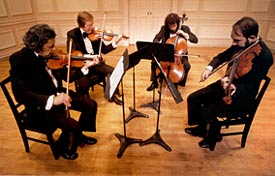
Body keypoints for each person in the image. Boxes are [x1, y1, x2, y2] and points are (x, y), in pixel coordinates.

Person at [9, 24, 101, 160]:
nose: (54, 49)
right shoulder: (19, 59)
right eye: (50, 46)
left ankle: (78, 134)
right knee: (73, 124)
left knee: (91, 105)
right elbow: (20, 94)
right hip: (40, 106)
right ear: (36, 45)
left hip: (58, 92)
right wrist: (52, 100)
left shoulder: (52, 55)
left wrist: (85, 67)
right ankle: (63, 147)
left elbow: (66, 76)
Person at [184, 17, 273, 149]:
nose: (233, 44)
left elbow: (251, 85)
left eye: (237, 40)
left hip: (241, 96)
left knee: (207, 110)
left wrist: (234, 87)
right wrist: (210, 67)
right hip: (225, 83)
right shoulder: (239, 45)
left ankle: (213, 137)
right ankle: (202, 128)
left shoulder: (264, 57)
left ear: (252, 38)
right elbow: (222, 56)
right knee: (193, 98)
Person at [67, 11, 124, 105]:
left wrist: (115, 42)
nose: (92, 27)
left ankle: (111, 95)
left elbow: (104, 50)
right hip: (83, 66)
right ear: (81, 25)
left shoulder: (94, 34)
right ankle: (84, 100)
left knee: (114, 72)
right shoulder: (72, 34)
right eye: (89, 25)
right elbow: (73, 55)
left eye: (92, 24)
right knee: (83, 84)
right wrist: (91, 57)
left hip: (96, 64)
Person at [146, 13, 198, 91]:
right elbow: (156, 39)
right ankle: (155, 82)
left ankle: (177, 82)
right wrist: (158, 46)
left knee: (187, 66)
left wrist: (185, 35)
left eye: (174, 26)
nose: (173, 28)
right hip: (166, 52)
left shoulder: (184, 28)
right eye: (170, 26)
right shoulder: (164, 28)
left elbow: (195, 40)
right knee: (154, 62)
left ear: (177, 23)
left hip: (179, 55)